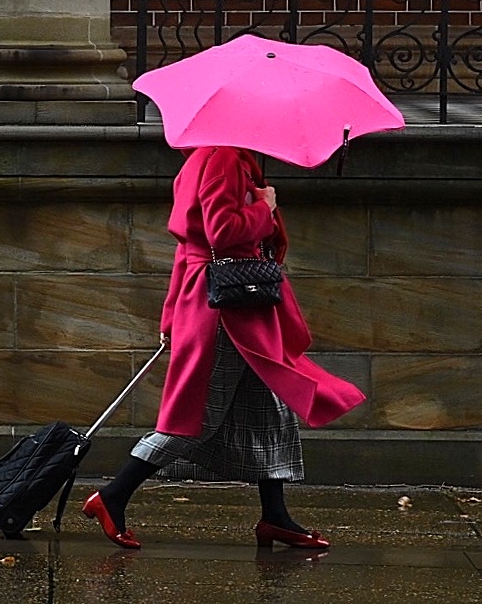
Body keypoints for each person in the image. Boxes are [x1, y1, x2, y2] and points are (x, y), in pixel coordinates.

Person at [83, 144, 365, 550]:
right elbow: (222, 232)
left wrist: (170, 316)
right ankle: (113, 496)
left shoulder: (205, 159)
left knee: (271, 409)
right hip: (227, 313)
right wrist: (264, 208)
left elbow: (188, 251)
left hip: (228, 306)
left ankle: (275, 516)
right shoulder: (224, 159)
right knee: (196, 416)